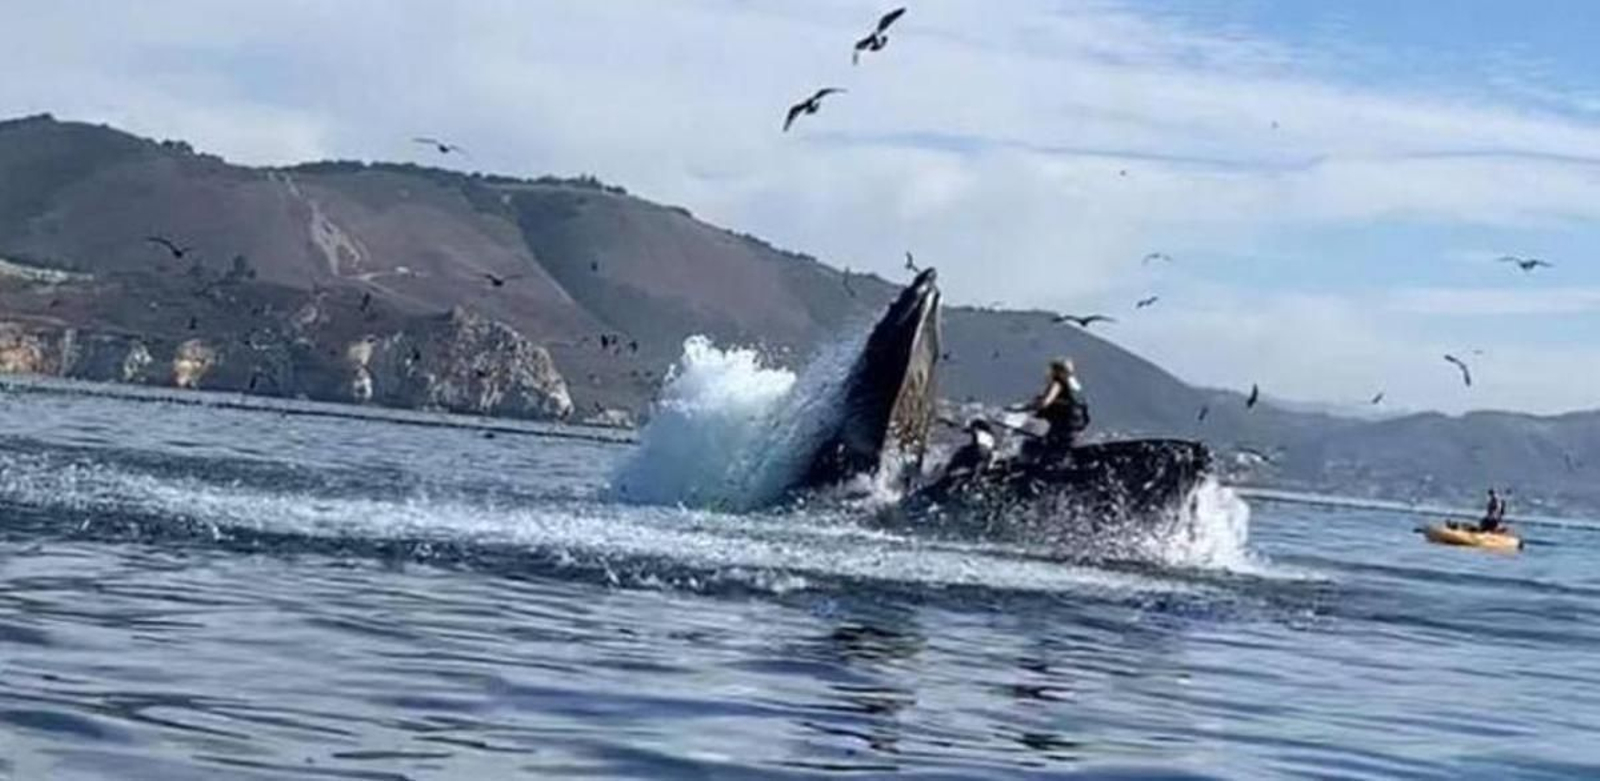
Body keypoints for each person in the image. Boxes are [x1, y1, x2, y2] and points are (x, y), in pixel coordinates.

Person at [1014, 358, 1090, 464]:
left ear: (1057, 371)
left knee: (1031, 442)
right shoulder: (1075, 385)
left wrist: (1020, 409)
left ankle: (1025, 466)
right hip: (1074, 428)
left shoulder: (1057, 384)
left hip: (1060, 427)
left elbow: (1045, 403)